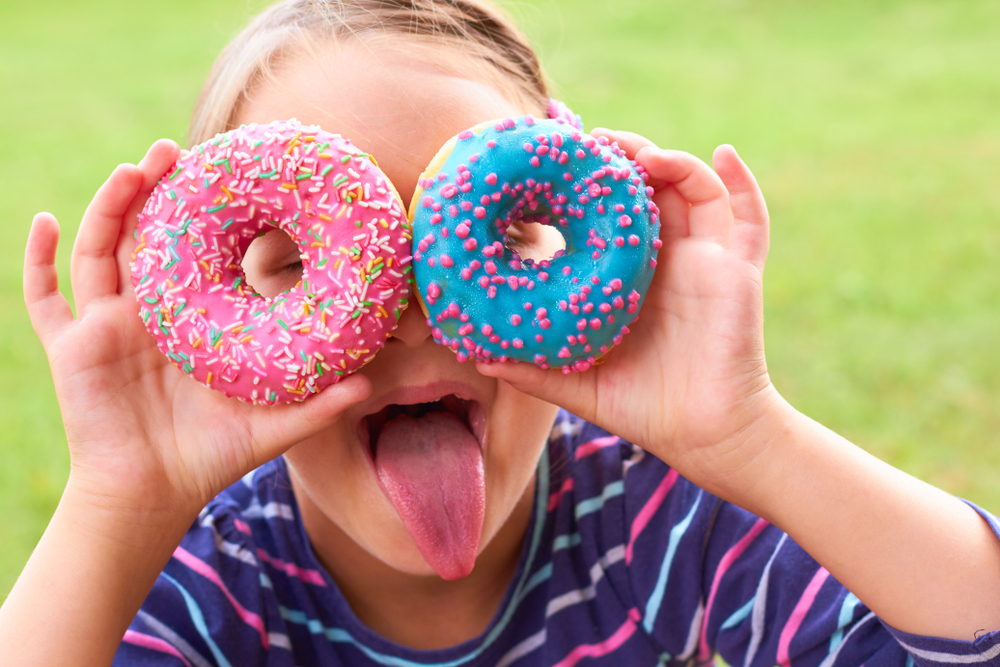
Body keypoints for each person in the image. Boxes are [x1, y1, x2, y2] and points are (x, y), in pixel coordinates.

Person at [3, 0, 1000, 664]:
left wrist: (747, 435)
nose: (404, 317)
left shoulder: (655, 521)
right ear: (216, 312)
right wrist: (119, 500)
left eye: (479, 239)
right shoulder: (212, 576)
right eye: (304, 264)